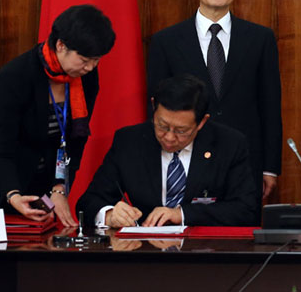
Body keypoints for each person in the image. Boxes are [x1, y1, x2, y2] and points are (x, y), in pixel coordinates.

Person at [147, 0, 282, 202]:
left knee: (241, 226)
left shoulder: (260, 38)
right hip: (184, 159)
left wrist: (270, 167)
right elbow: (154, 108)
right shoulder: (166, 41)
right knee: (186, 224)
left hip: (244, 162)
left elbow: (270, 107)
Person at [0, 4, 115, 227]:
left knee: (40, 239)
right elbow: (1, 146)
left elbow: (75, 140)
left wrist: (59, 189)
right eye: (84, 60)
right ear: (61, 45)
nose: (91, 67)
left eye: (97, 60)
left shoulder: (86, 78)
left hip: (40, 175)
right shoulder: (16, 76)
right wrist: (13, 195)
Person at [76, 74, 258, 227]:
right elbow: (88, 202)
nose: (169, 138)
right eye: (162, 126)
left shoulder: (228, 144)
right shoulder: (129, 141)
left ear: (202, 122)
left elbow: (246, 209)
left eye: (181, 131)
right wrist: (109, 214)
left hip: (206, 250)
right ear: (153, 107)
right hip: (144, 250)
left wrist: (182, 214)